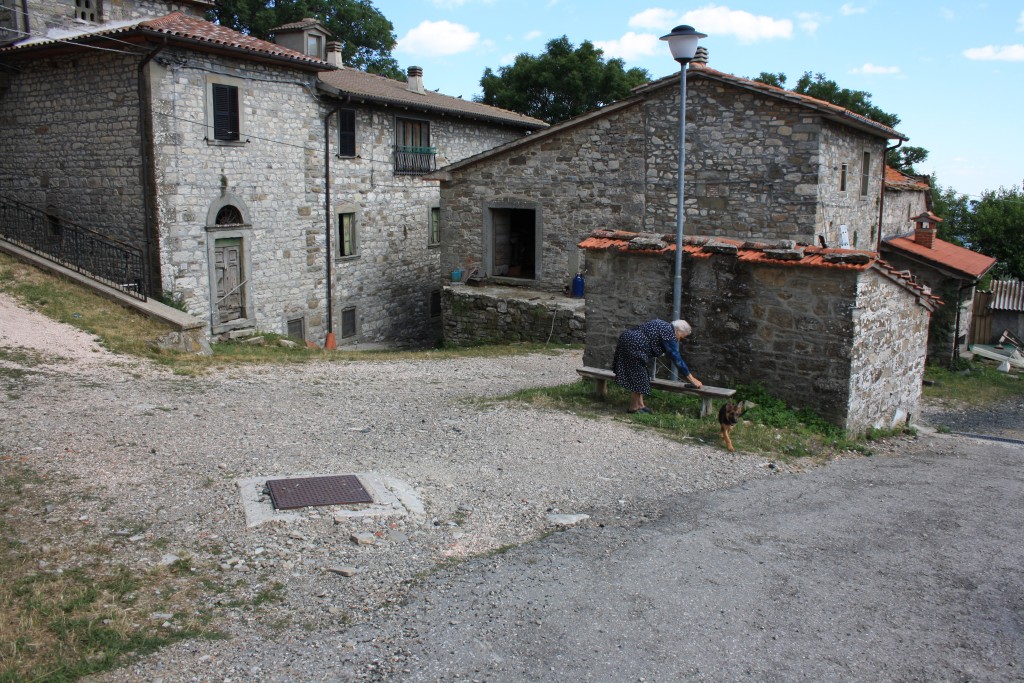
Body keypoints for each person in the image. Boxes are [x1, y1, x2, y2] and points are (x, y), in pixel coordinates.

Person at [612, 319, 702, 414]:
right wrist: (692, 379)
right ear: (677, 331)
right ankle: (633, 408)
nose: (679, 340)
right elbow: (676, 358)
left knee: (641, 375)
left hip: (627, 339)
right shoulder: (670, 333)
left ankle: (641, 406)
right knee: (639, 377)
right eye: (681, 337)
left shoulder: (663, 324)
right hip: (634, 345)